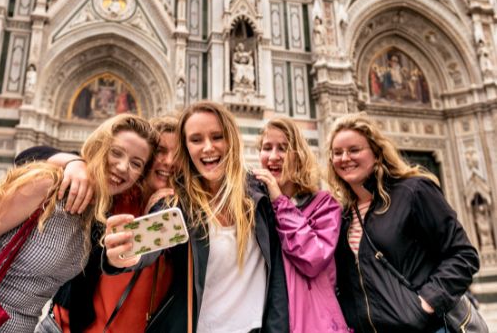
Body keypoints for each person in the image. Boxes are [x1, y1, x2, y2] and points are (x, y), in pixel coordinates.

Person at [0, 114, 157, 333]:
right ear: (98, 146)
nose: (122, 167)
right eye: (116, 153)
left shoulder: (94, 217)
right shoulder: (46, 184)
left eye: (136, 164)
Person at [104, 101, 289, 333]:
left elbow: (278, 278)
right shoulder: (179, 205)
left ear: (231, 139)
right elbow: (143, 251)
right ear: (186, 147)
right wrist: (120, 253)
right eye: (196, 140)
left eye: (217, 137)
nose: (208, 147)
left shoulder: (259, 196)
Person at [327, 112, 480, 333]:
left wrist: (426, 303)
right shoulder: (342, 214)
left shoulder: (413, 191)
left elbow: (463, 255)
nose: (344, 158)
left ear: (376, 153)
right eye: (337, 152)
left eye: (354, 150)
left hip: (425, 328)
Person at [36, 116, 179, 333]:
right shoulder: (117, 191)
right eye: (160, 151)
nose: (169, 161)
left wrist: (164, 203)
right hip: (63, 327)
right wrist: (74, 163)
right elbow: (28, 158)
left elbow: (160, 236)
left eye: (178, 154)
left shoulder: (182, 211)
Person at [253, 117, 350, 332]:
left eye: (283, 148)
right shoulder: (255, 205)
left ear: (298, 156)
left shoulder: (324, 204)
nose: (273, 156)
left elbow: (313, 257)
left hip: (313, 323)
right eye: (266, 148)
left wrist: (280, 202)